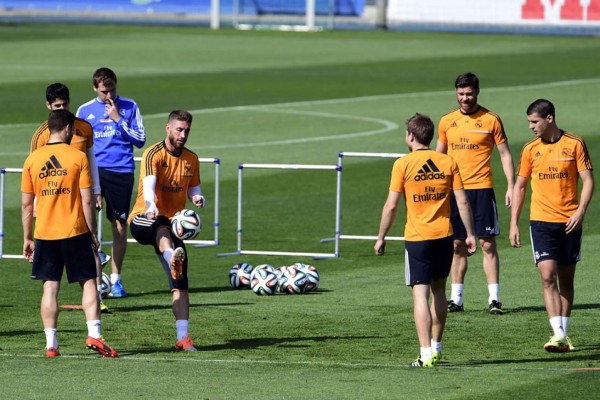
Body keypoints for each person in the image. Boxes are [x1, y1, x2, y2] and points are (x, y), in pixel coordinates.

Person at [375, 113, 476, 367]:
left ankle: (425, 353)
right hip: (445, 235)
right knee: (440, 291)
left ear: (410, 136)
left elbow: (391, 206)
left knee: (420, 295)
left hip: (418, 238)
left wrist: (381, 237)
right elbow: (462, 201)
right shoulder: (447, 161)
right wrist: (471, 234)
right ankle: (437, 347)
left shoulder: (403, 164)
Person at [21, 109, 119, 358]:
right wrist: (93, 232)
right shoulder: (77, 157)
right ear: (67, 129)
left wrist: (27, 237)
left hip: (45, 232)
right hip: (74, 230)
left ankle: (51, 344)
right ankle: (94, 335)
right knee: (89, 282)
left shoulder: (32, 160)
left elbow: (26, 205)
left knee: (50, 288)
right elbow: (87, 201)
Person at [509, 99, 594, 353]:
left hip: (570, 221)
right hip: (541, 221)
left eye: (534, 122)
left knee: (567, 280)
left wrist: (580, 211)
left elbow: (588, 181)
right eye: (529, 122)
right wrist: (514, 222)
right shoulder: (529, 149)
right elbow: (520, 186)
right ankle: (557, 333)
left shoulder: (575, 144)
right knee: (548, 275)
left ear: (549, 119)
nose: (531, 127)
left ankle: (563, 334)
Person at [436, 72, 515, 315]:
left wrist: (511, 185)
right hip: (454, 191)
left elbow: (504, 154)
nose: (465, 98)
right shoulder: (447, 121)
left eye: (469, 93)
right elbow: (438, 157)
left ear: (477, 92)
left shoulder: (491, 120)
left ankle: (494, 299)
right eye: (461, 94)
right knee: (457, 245)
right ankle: (456, 299)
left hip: (481, 189)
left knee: (487, 244)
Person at [128, 110, 205, 352]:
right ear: (168, 128)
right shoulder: (153, 153)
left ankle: (183, 338)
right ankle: (171, 257)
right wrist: (150, 206)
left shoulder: (191, 158)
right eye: (179, 130)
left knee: (180, 283)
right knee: (161, 223)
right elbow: (149, 185)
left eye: (187, 131)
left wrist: (197, 198)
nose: (183, 135)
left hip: (175, 225)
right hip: (143, 218)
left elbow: (193, 188)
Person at [31, 82, 111, 313]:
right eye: (57, 105)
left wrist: (96, 191)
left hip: (83, 194)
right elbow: (37, 173)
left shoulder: (83, 127)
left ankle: (97, 298)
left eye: (65, 104)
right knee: (55, 264)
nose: (62, 109)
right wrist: (38, 202)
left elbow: (91, 159)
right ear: (48, 105)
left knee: (91, 247)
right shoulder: (41, 135)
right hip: (56, 199)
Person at [77, 67, 146, 298]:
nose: (109, 96)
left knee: (119, 226)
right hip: (95, 172)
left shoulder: (129, 106)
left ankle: (116, 280)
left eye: (113, 89)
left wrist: (118, 120)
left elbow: (139, 140)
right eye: (105, 91)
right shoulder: (85, 110)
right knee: (90, 226)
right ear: (95, 88)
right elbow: (78, 146)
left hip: (121, 171)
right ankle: (94, 283)